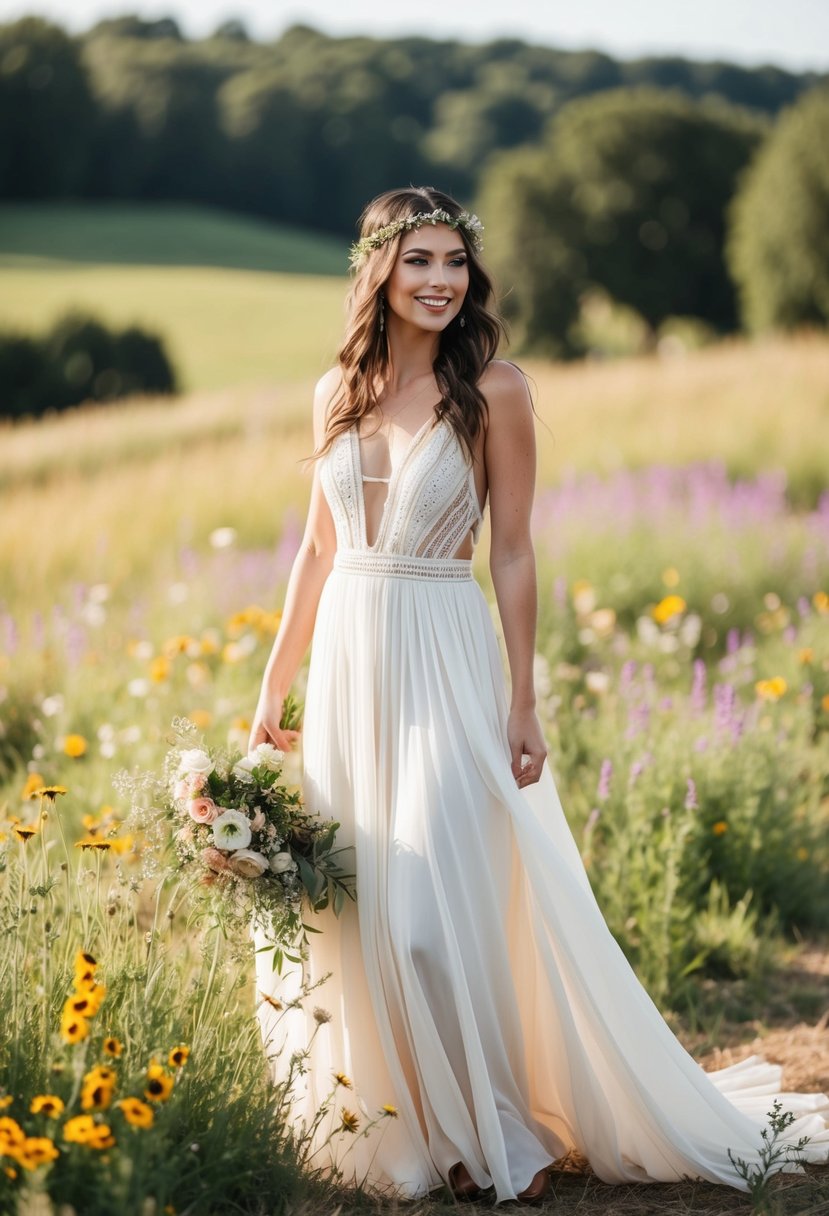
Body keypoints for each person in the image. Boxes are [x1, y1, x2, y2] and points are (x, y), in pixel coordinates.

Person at [249, 185, 829, 1206]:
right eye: (419, 260)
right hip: (348, 657)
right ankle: (397, 1128)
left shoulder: (496, 390)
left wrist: (525, 697)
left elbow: (512, 550)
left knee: (430, 913)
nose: (439, 281)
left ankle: (482, 1122)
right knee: (355, 900)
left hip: (442, 647)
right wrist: (274, 679)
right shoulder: (335, 385)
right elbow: (314, 548)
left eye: (454, 262)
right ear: (378, 268)